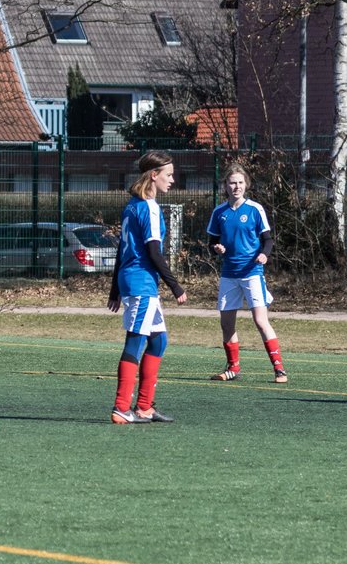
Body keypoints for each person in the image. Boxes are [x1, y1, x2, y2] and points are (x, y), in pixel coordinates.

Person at [106, 150, 187, 424]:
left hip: (135, 281)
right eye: (168, 174)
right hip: (141, 282)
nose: (172, 179)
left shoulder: (131, 204)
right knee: (136, 341)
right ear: (154, 175)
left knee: (158, 340)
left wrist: (115, 288)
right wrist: (176, 286)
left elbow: (122, 249)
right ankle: (121, 407)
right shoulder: (148, 207)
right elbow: (153, 252)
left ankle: (144, 407)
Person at [206, 164, 287, 383]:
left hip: (252, 272)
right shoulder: (219, 212)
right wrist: (216, 248)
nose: (237, 186)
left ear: (246, 185)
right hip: (229, 274)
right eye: (232, 182)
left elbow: (268, 239)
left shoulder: (255, 209)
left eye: (240, 182)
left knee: (260, 321)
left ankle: (279, 369)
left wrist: (264, 255)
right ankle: (233, 368)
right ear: (226, 185)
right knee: (226, 323)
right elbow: (212, 242)